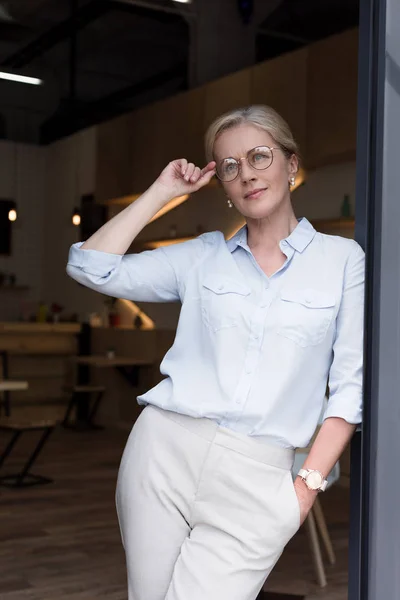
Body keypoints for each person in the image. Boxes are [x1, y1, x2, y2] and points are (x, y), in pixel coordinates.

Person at [66, 105, 364, 600]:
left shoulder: (342, 260)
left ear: (292, 165)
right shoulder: (202, 258)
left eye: (259, 156)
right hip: (163, 453)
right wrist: (162, 194)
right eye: (229, 166)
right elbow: (90, 268)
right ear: (223, 186)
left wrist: (305, 490)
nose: (246, 173)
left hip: (261, 475)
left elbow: (350, 387)